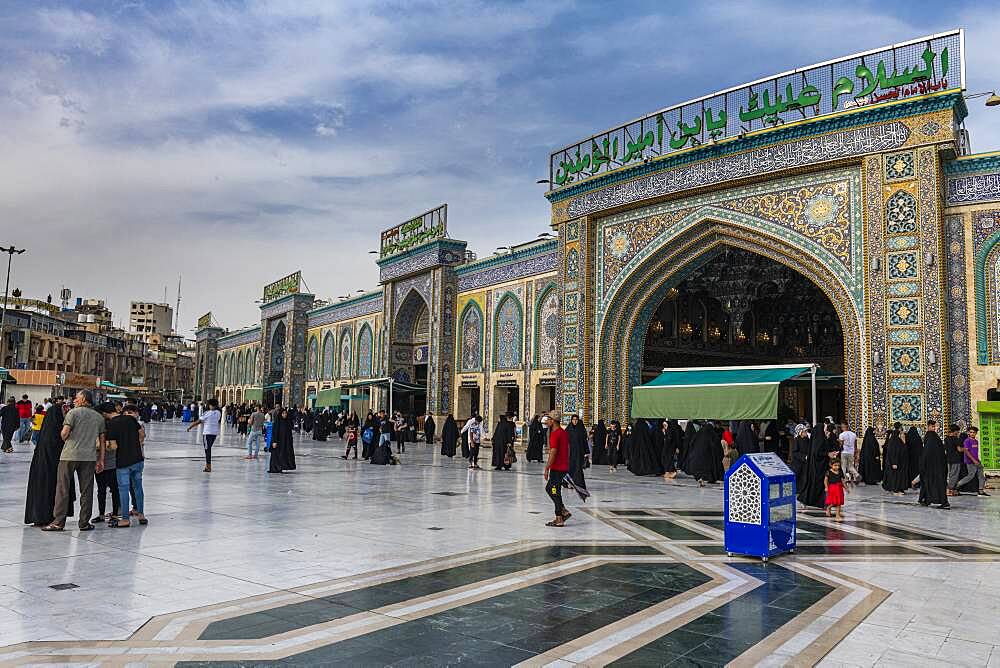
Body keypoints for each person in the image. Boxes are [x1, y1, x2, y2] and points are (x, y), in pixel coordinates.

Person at [42, 390, 106, 532]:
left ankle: (58, 522)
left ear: (83, 399)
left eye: (77, 398)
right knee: (87, 491)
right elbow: (102, 441)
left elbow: (64, 433)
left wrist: (65, 437)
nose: (74, 400)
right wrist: (101, 460)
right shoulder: (98, 417)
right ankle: (84, 523)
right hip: (89, 458)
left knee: (62, 488)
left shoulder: (73, 413)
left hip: (69, 455)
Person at [24, 397, 70, 527]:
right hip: (54, 467)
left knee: (41, 489)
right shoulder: (58, 435)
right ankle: (51, 515)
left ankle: (38, 516)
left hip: (41, 468)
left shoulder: (44, 436)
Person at [106, 403, 146, 527]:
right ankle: (141, 515)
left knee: (123, 489)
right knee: (138, 487)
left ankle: (125, 519)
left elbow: (113, 446)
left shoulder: (112, 423)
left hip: (123, 461)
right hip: (137, 459)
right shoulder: (131, 420)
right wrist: (134, 444)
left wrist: (106, 446)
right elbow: (142, 435)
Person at [94, 403, 122, 524]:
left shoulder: (112, 425)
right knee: (106, 489)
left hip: (111, 462)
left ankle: (112, 514)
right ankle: (106, 514)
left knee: (109, 489)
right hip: (101, 462)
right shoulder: (97, 426)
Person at [543, 413, 571, 527]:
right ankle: (562, 511)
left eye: (548, 419)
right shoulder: (564, 432)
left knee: (553, 490)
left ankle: (559, 517)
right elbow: (568, 449)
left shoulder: (555, 434)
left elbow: (553, 452)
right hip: (563, 467)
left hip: (557, 468)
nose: (546, 421)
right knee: (553, 489)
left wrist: (547, 468)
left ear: (553, 421)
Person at [797, 424, 831, 508]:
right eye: (824, 428)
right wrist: (827, 454)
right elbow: (817, 453)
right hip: (817, 467)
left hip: (819, 466)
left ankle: (818, 501)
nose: (825, 430)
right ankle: (807, 500)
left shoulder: (818, 439)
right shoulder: (818, 440)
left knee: (818, 484)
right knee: (816, 484)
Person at [918, 420, 950, 509]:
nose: (933, 428)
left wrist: (923, 463)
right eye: (933, 426)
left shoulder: (930, 437)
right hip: (939, 465)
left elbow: (927, 452)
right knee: (933, 482)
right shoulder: (935, 437)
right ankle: (927, 500)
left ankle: (943, 502)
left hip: (931, 466)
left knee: (931, 482)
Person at [187, 398, 221, 472]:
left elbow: (199, 421)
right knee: (208, 449)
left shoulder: (207, 413)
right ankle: (208, 465)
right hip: (214, 433)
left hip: (207, 433)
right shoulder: (218, 413)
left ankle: (208, 466)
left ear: (210, 405)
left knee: (207, 450)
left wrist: (190, 426)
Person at [956, 426, 989, 495]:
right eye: (971, 432)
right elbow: (967, 452)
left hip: (976, 460)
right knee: (970, 475)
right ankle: (957, 485)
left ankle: (981, 490)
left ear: (976, 433)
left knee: (981, 475)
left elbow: (975, 452)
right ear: (968, 433)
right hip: (970, 461)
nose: (972, 434)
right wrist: (974, 460)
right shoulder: (967, 441)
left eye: (974, 432)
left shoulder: (976, 441)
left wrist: (977, 460)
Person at [881, 425, 909, 495]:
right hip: (894, 463)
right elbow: (893, 452)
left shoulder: (898, 441)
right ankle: (895, 489)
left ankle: (897, 488)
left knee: (896, 476)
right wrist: (894, 463)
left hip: (899, 462)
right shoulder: (894, 441)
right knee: (894, 476)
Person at [566, 414, 589, 489]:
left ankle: (578, 484)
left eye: (576, 420)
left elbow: (584, 441)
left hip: (579, 452)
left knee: (578, 468)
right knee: (570, 467)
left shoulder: (581, 429)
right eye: (573, 419)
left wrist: (586, 452)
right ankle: (569, 483)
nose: (575, 421)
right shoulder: (568, 429)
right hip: (571, 452)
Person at [945, 423, 965, 497]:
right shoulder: (956, 439)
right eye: (957, 431)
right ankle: (949, 490)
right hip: (956, 459)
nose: (958, 433)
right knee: (954, 475)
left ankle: (952, 490)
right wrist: (966, 449)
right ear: (955, 431)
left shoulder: (946, 438)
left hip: (948, 459)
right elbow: (959, 449)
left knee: (950, 475)